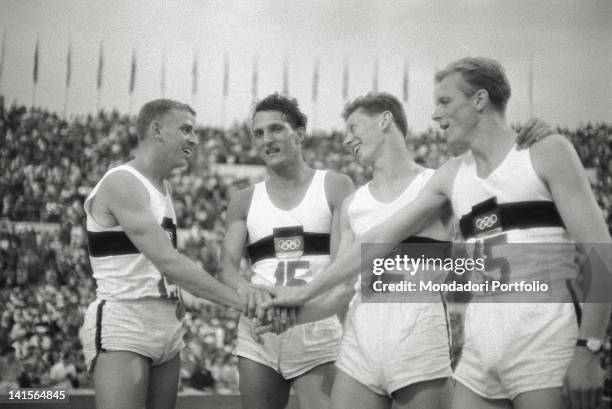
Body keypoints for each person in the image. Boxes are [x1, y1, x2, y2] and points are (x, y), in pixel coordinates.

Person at [265, 57, 611, 409]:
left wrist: (590, 345)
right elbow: (378, 242)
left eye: (444, 101)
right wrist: (300, 298)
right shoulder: (450, 176)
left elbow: (603, 252)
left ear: (478, 100)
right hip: (478, 358)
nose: (434, 114)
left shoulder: (543, 153)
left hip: (544, 344)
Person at [80, 99, 244, 409]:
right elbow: (169, 263)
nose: (194, 139)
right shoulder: (122, 182)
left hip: (167, 323)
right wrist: (240, 302)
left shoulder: (163, 187)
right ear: (157, 130)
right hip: (127, 318)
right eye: (186, 130)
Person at [219, 93, 355, 409]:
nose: (267, 139)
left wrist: (296, 302)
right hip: (260, 331)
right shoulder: (243, 200)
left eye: (276, 129)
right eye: (259, 133)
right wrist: (247, 289)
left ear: (300, 133)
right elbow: (226, 267)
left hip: (316, 329)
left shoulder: (335, 185)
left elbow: (342, 268)